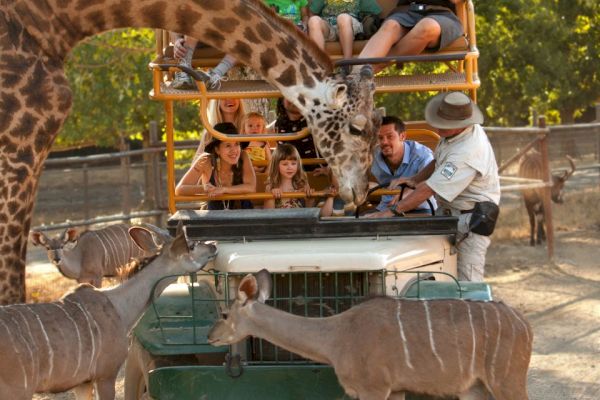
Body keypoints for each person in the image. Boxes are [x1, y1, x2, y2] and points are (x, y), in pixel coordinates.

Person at [369, 92, 500, 283]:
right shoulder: (454, 135)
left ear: (462, 124)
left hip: (470, 222)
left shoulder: (467, 152)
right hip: (448, 215)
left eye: (445, 124)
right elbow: (439, 159)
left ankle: (472, 308)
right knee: (438, 274)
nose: (438, 127)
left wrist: (393, 211)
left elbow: (430, 189)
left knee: (467, 281)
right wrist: (415, 179)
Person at [357, 0, 464, 72]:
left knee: (427, 27)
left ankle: (369, 70)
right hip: (406, 11)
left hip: (442, 13)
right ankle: (353, 76)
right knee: (390, 26)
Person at [176, 122, 256, 210]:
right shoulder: (205, 160)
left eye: (237, 144)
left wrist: (224, 190)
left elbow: (251, 187)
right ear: (217, 149)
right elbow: (180, 189)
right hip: (214, 218)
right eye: (228, 145)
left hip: (244, 217)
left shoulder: (243, 155)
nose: (234, 150)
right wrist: (204, 189)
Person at [368, 115, 437, 214]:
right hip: (385, 208)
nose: (384, 142)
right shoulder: (372, 155)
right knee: (358, 223)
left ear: (402, 136)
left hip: (420, 208)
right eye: (380, 138)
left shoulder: (422, 155)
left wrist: (405, 194)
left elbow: (430, 184)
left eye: (390, 136)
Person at [264, 144, 336, 216]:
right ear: (276, 165)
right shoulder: (271, 186)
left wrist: (309, 198)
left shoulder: (302, 184)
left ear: (298, 165)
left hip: (300, 221)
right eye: (285, 164)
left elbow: (309, 211)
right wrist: (272, 197)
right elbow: (267, 214)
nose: (290, 167)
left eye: (293, 163)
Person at [308, 0, 382, 61]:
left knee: (342, 18)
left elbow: (375, 13)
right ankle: (319, 64)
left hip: (351, 25)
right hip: (329, 26)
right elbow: (312, 13)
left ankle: (347, 63)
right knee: (313, 20)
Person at [170, 34, 237, 90]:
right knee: (196, 20)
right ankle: (184, 68)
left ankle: (213, 76)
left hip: (223, 38)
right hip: (192, 38)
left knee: (243, 35)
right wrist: (176, 39)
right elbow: (171, 23)